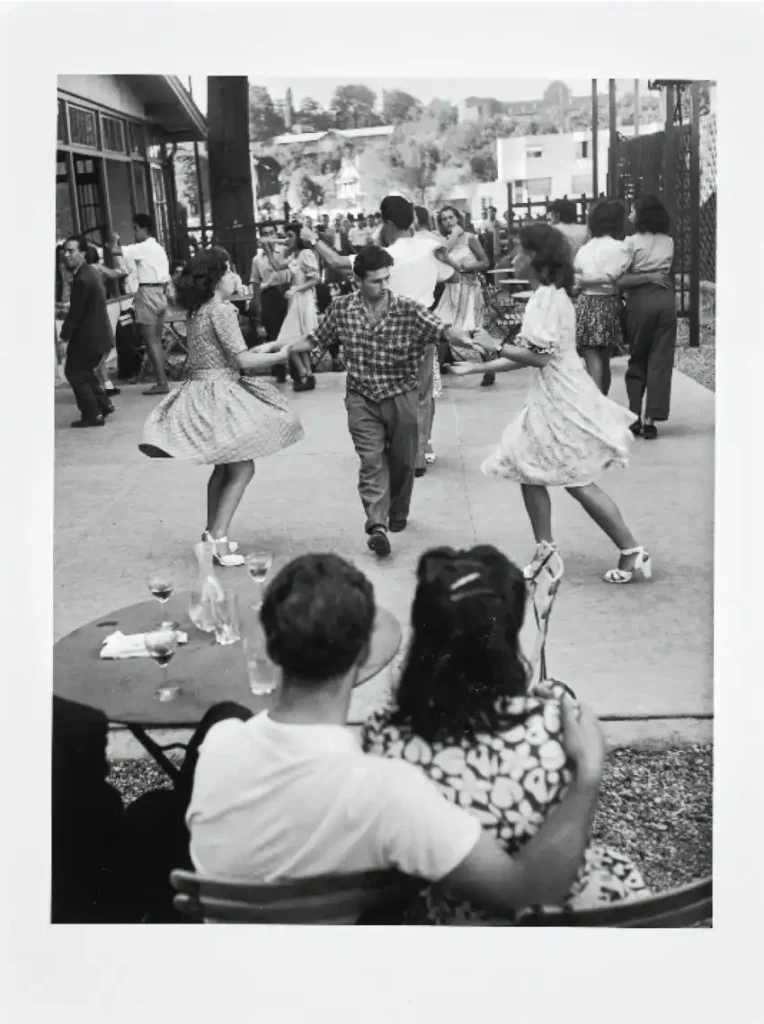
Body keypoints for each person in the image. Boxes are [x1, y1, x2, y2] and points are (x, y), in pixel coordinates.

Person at [186, 552, 609, 920]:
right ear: (365, 655)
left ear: (272, 648)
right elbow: (529, 895)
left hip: (229, 974)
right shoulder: (387, 790)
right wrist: (586, 777)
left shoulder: (218, 744)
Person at [362, 545, 649, 924]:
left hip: (447, 920)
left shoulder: (385, 739)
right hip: (559, 915)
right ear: (510, 633)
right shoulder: (560, 726)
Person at [451, 223, 652, 585]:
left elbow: (538, 358)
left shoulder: (546, 299)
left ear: (534, 259)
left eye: (517, 251)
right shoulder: (547, 295)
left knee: (577, 480)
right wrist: (478, 366)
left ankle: (631, 550)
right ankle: (548, 552)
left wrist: (492, 344)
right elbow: (531, 354)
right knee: (530, 470)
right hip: (554, 395)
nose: (512, 258)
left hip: (561, 398)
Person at [279, 245, 477, 557]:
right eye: (376, 281)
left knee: (402, 462)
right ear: (357, 281)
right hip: (362, 398)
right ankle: (376, 525)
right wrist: (282, 350)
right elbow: (316, 339)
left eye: (387, 279)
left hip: (401, 394)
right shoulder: (342, 308)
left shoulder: (407, 309)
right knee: (371, 461)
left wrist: (465, 337)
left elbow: (442, 329)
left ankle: (397, 512)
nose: (383, 285)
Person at [138, 247, 310, 566]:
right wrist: (284, 354)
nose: (236, 277)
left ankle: (209, 534)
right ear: (216, 278)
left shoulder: (198, 310)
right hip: (222, 393)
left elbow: (224, 352)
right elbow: (242, 359)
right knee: (243, 466)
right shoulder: (222, 311)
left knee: (224, 465)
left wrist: (264, 350)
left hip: (201, 390)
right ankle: (218, 538)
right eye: (231, 271)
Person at [621, 195, 677, 440]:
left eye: (633, 211)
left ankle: (633, 414)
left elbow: (619, 279)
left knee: (637, 358)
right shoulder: (669, 242)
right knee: (660, 361)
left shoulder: (630, 243)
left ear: (641, 215)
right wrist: (655, 275)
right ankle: (651, 418)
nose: (630, 216)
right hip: (665, 302)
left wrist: (645, 276)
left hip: (639, 302)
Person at [574, 200, 632, 396]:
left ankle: (597, 404)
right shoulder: (620, 248)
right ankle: (601, 402)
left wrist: (583, 282)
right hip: (608, 303)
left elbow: (577, 275)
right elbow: (614, 276)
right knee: (603, 357)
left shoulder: (584, 249)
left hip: (585, 303)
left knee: (592, 358)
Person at [108, 214, 170, 396]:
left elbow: (113, 251)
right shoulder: (159, 248)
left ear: (144, 229)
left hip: (146, 293)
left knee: (150, 341)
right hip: (160, 292)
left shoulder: (144, 247)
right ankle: (162, 378)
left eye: (135, 228)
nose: (134, 232)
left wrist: (115, 239)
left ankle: (161, 382)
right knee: (156, 340)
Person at [433, 205, 494, 386]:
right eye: (444, 219)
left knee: (474, 330)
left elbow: (485, 262)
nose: (448, 221)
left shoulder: (470, 238)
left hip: (468, 287)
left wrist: (468, 267)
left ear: (458, 218)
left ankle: (489, 369)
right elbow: (442, 256)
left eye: (451, 217)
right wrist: (453, 236)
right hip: (451, 288)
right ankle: (435, 375)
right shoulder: (443, 242)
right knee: (441, 328)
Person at [58, 236, 116, 428]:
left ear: (82, 253)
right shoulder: (90, 272)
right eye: (65, 251)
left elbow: (76, 313)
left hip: (88, 336)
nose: (67, 255)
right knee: (83, 372)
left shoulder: (82, 278)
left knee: (74, 372)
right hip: (98, 334)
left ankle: (93, 414)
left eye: (71, 251)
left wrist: (64, 338)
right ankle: (103, 404)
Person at [275, 222, 321, 392]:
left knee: (290, 340)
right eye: (285, 236)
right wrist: (266, 248)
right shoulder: (294, 255)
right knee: (295, 338)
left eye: (290, 236)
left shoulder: (306, 253)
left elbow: (315, 279)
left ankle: (304, 374)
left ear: (298, 237)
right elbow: (276, 266)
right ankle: (306, 374)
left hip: (303, 298)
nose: (287, 239)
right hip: (295, 299)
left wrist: (296, 289)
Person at [249, 221, 291, 382]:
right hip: (269, 294)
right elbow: (255, 281)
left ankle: (297, 370)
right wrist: (256, 303)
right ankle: (279, 370)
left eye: (271, 233)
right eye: (264, 234)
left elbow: (281, 267)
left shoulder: (284, 251)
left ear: (276, 234)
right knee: (273, 332)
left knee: (289, 330)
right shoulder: (257, 259)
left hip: (286, 290)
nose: (268, 237)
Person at [85, 244, 129, 398]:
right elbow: (121, 272)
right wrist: (118, 252)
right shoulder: (97, 268)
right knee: (106, 345)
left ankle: (106, 384)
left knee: (97, 347)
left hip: (89, 312)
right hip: (97, 312)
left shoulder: (80, 271)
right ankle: (94, 376)